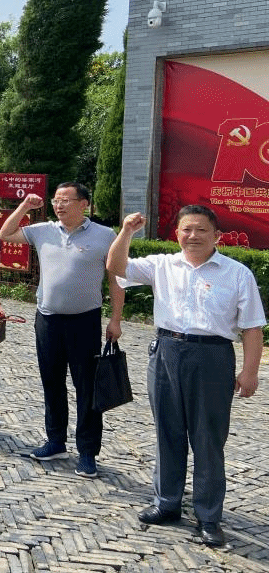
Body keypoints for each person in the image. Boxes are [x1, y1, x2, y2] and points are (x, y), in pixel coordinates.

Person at [107, 205, 265, 548]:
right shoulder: (162, 265)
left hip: (212, 357)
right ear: (177, 234)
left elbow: (252, 327)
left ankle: (208, 516)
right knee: (167, 432)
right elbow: (116, 267)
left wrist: (250, 371)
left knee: (208, 438)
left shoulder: (237, 273)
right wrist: (126, 232)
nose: (193, 236)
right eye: (187, 230)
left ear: (217, 236)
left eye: (201, 230)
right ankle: (167, 503)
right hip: (166, 351)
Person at [0, 182, 124, 478]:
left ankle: (88, 452)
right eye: (56, 200)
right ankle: (55, 441)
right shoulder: (43, 230)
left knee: (86, 387)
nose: (59, 205)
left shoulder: (105, 235)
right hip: (48, 320)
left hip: (85, 321)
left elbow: (116, 279)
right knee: (52, 382)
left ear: (84, 204)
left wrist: (116, 319)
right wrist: (25, 206)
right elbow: (5, 233)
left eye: (66, 200)